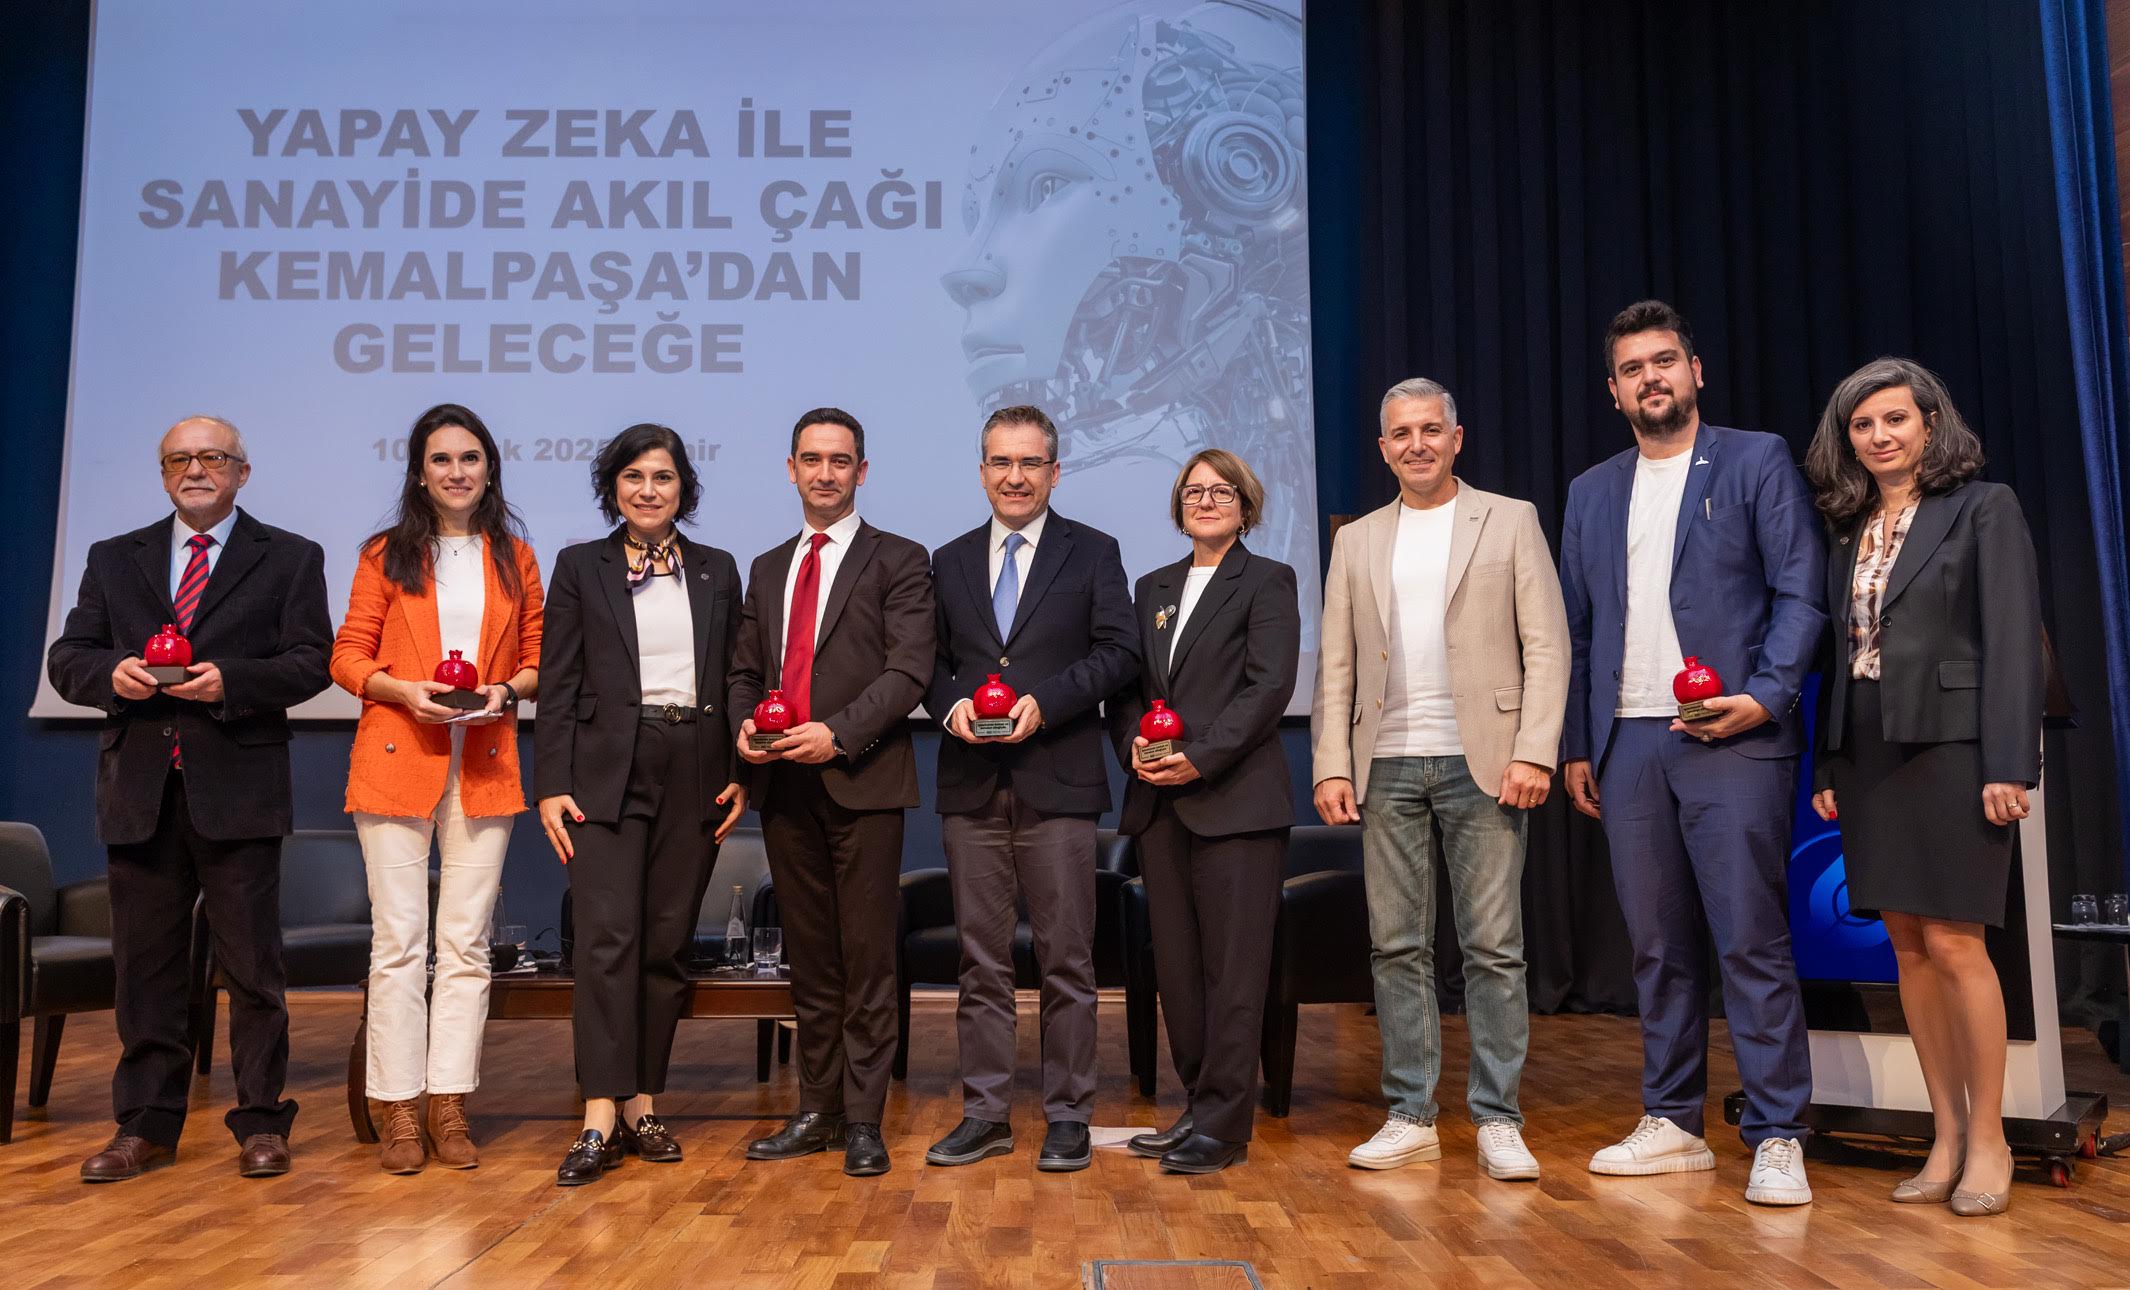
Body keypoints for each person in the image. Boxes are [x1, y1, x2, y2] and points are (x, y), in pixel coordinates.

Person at [1558, 300, 1827, 1205]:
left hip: (1733, 734)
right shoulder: (1591, 491)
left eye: (1664, 360)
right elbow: (1578, 629)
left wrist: (1766, 696)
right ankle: (1673, 1122)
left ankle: (1778, 1131)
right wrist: (1578, 742)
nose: (1652, 378)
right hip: (1628, 742)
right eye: (1633, 368)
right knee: (1657, 947)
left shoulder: (1754, 459)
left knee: (1751, 939)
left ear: (1695, 371)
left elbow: (1800, 594)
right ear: (1614, 391)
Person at [47, 415, 332, 1181]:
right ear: (163, 474)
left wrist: (229, 681)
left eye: (211, 457)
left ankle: (262, 1121)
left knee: (253, 971)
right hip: (140, 790)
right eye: (178, 459)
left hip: (238, 787)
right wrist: (111, 674)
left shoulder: (291, 556)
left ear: (242, 471)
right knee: (146, 971)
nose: (194, 470)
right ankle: (144, 1124)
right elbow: (68, 658)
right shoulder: (115, 558)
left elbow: (312, 662)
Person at [1311, 379, 1569, 1181]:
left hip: (1484, 762)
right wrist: (1331, 762)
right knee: (1396, 947)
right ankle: (1410, 1114)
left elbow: (1548, 645)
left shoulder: (1511, 519)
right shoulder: (1356, 540)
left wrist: (1535, 750)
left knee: (1493, 947)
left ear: (1457, 438)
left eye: (1430, 429)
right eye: (1401, 433)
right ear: (1383, 449)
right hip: (1385, 762)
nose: (1416, 444)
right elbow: (1336, 664)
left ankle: (1498, 1119)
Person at [1804, 358, 2042, 1218]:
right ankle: (1945, 1135)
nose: (1879, 436)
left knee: (1955, 943)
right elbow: (1838, 656)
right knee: (1904, 946)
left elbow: (2013, 640)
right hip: (1869, 751)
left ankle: (1992, 1140)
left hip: (1955, 747)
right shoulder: (1849, 525)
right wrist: (1828, 760)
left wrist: (2009, 762)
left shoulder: (1984, 507)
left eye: (1895, 419)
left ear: (1931, 424)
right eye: (1862, 424)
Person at [922, 405, 1138, 1173]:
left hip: (1060, 780)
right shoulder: (947, 560)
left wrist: (1046, 702)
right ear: (982, 470)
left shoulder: (1094, 552)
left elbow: (1120, 653)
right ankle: (985, 1114)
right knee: (979, 962)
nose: (1015, 477)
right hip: (971, 785)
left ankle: (1068, 1115)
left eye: (1030, 463)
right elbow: (926, 661)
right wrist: (950, 704)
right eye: (1001, 462)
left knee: (1066, 961)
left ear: (1055, 471)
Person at [330, 403, 543, 1174]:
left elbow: (540, 658)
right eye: (442, 459)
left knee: (466, 942)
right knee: (398, 941)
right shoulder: (385, 554)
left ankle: (449, 1103)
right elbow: (347, 656)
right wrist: (400, 689)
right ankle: (397, 1107)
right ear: (420, 473)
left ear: (489, 469)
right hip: (396, 753)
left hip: (483, 760)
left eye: (470, 458)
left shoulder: (515, 556)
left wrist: (505, 692)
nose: (457, 472)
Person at [534, 424, 746, 1186]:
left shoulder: (718, 569)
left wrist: (740, 773)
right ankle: (598, 1114)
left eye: (663, 477)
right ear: (612, 488)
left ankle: (642, 1105)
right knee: (606, 941)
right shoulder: (578, 567)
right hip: (603, 772)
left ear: (684, 488)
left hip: (695, 764)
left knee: (664, 944)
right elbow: (557, 682)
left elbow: (736, 678)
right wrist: (550, 783)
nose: (648, 490)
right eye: (633, 477)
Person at [730, 408, 936, 1178]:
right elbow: (744, 671)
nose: (825, 473)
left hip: (864, 781)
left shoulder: (900, 559)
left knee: (867, 959)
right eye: (812, 459)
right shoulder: (766, 567)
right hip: (784, 786)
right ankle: (816, 1109)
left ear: (862, 471)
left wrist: (839, 734)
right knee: (811, 959)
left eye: (840, 460)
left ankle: (864, 1119)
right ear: (791, 469)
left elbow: (909, 670)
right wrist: (744, 725)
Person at [1109, 449, 1299, 1174]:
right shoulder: (1151, 586)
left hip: (1236, 802)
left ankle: (1224, 1126)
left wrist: (1202, 756)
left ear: (1245, 506)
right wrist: (1133, 745)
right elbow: (1129, 689)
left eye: (1221, 491)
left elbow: (1268, 687)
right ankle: (1197, 1107)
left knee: (1233, 973)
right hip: (1159, 804)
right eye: (1194, 491)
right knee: (1180, 974)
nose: (1206, 501)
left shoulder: (1268, 580)